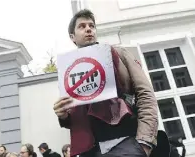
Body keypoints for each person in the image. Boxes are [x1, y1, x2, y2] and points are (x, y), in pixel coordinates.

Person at [53, 9, 158, 157]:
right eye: (82, 26)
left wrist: (144, 142)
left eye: (91, 25)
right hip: (90, 149)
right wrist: (63, 115)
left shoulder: (119, 54)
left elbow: (145, 94)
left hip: (127, 143)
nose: (88, 29)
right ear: (72, 37)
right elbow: (74, 112)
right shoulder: (68, 69)